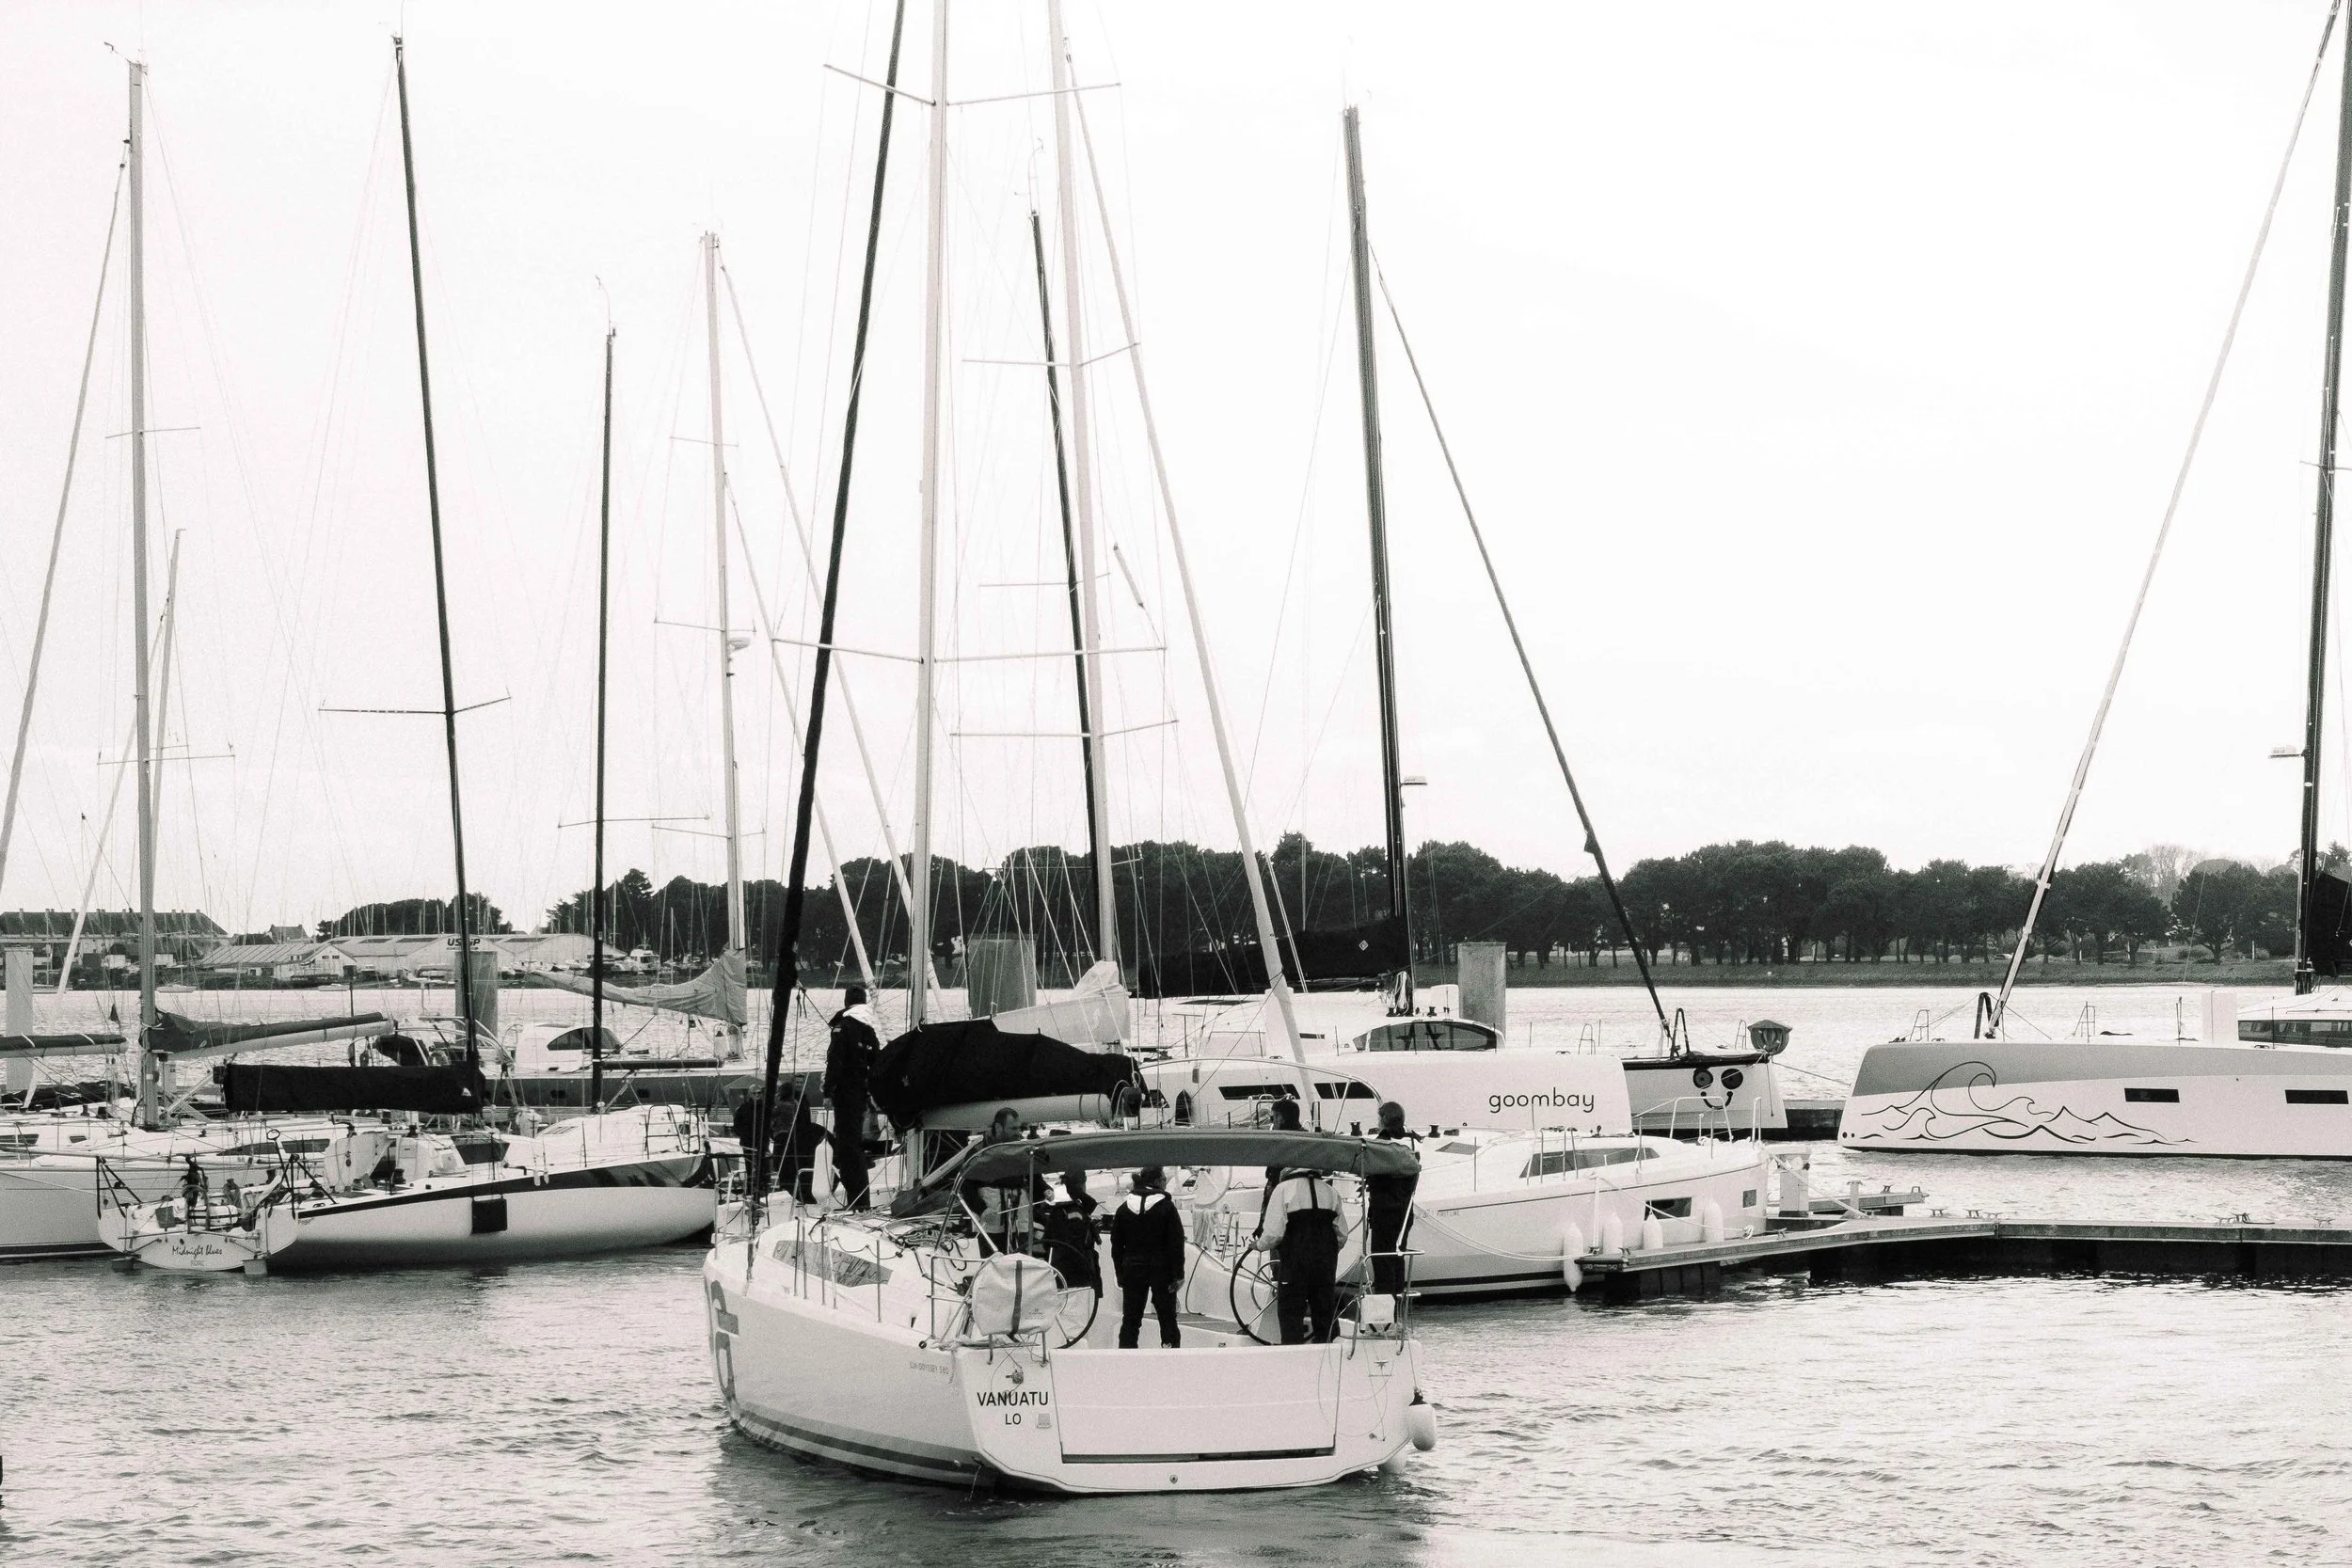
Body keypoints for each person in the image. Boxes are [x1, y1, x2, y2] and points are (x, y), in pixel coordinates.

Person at [1254, 1163, 1342, 1344]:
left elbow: (1273, 1234)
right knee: (1324, 1310)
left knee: (1291, 1312)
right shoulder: (1331, 1192)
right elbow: (1341, 1235)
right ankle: (1327, 1353)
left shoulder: (1283, 1189)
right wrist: (1326, 1251)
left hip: (1295, 1262)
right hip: (1325, 1263)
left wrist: (1259, 1246)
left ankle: (1293, 1356)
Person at [1110, 1165, 1185, 1348]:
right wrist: (1178, 1274)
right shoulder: (1167, 1207)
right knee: (1167, 1318)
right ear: (1158, 1182)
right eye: (1163, 1179)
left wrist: (1120, 1273)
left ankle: (1126, 1355)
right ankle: (1170, 1353)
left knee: (1131, 1318)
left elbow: (1117, 1245)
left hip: (1132, 1268)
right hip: (1162, 1269)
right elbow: (1176, 1243)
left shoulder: (1123, 1208)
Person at [823, 985, 882, 1210]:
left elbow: (835, 1061)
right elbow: (876, 1062)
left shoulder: (843, 1027)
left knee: (847, 1149)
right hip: (860, 1096)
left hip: (845, 1095)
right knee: (851, 1146)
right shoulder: (868, 1030)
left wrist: (828, 1090)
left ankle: (857, 1201)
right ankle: (859, 1199)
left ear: (846, 1002)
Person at [1364, 1101, 1420, 1296]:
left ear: (1383, 1120)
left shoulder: (1380, 1144)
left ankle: (1385, 1311)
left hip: (1384, 1212)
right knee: (1397, 1257)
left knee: (1382, 1260)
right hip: (1404, 1212)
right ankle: (1395, 1303)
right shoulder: (1410, 1142)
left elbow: (1372, 1172)